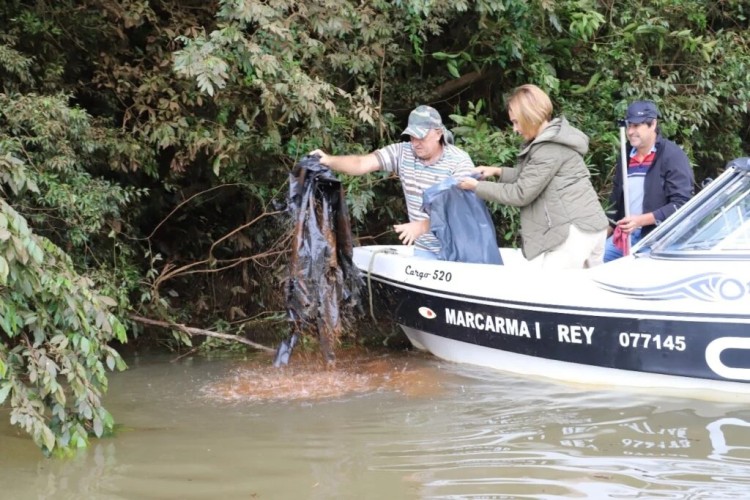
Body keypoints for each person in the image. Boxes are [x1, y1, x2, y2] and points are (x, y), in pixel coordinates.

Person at [457, 84, 608, 270]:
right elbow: (530, 176)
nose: (515, 129)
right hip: (591, 227)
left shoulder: (549, 148)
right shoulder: (553, 139)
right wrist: (496, 171)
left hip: (575, 234)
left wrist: (476, 187)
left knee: (547, 295)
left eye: (516, 122)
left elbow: (521, 193)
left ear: (530, 116)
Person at [310, 105, 475, 259]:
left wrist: (423, 226)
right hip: (425, 250)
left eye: (421, 136)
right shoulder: (403, 152)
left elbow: (461, 212)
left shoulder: (459, 161)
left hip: (460, 249)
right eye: (412, 136)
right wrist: (328, 160)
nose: (415, 143)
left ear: (438, 133)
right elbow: (361, 163)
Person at [604, 100, 694, 262]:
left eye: (636, 126)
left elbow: (682, 203)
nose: (630, 131)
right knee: (597, 261)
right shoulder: (625, 155)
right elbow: (615, 201)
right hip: (626, 236)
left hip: (659, 238)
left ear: (653, 124)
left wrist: (640, 220)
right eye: (629, 126)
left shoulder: (672, 155)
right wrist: (602, 235)